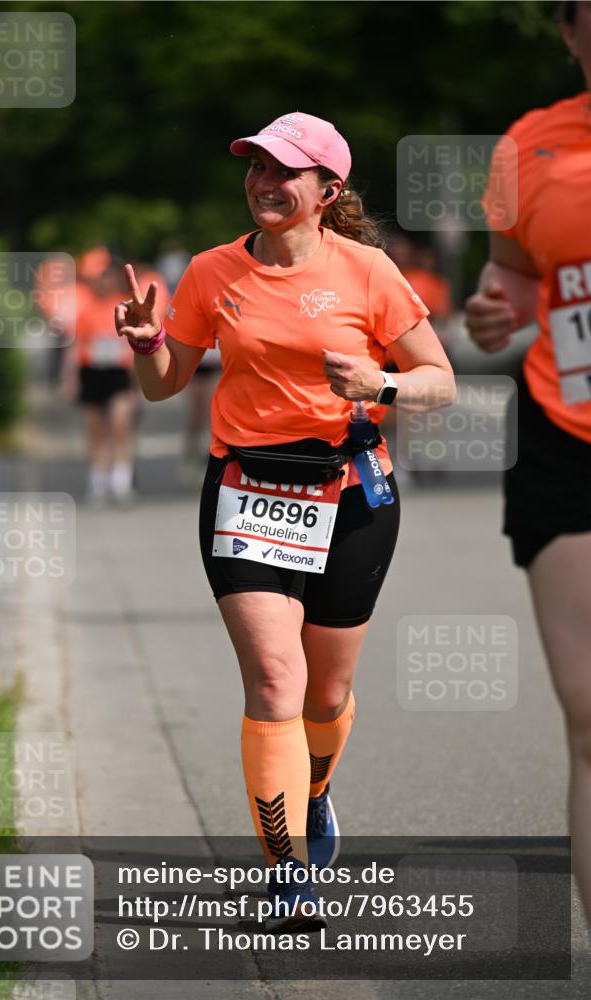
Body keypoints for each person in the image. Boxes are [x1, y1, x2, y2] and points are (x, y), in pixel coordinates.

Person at [115, 112, 454, 930]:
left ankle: (315, 789)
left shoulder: (368, 272)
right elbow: (165, 384)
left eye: (285, 172)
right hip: (245, 490)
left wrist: (379, 383)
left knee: (326, 690)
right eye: (256, 167)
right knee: (274, 681)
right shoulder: (210, 271)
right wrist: (146, 339)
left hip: (348, 496)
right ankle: (288, 874)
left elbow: (438, 381)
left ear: (325, 191)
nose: (265, 182)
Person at [465, 0, 591, 923]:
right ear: (567, 30)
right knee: (589, 713)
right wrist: (491, 309)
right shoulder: (526, 147)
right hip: (565, 433)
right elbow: (509, 275)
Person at [60, 253, 169, 503]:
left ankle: (121, 480)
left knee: (121, 425)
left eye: (107, 278)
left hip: (120, 373)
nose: (104, 283)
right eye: (99, 278)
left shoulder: (125, 306)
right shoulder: (86, 308)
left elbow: (139, 339)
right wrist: (69, 377)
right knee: (96, 430)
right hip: (92, 372)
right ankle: (97, 481)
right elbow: (75, 346)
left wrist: (140, 375)